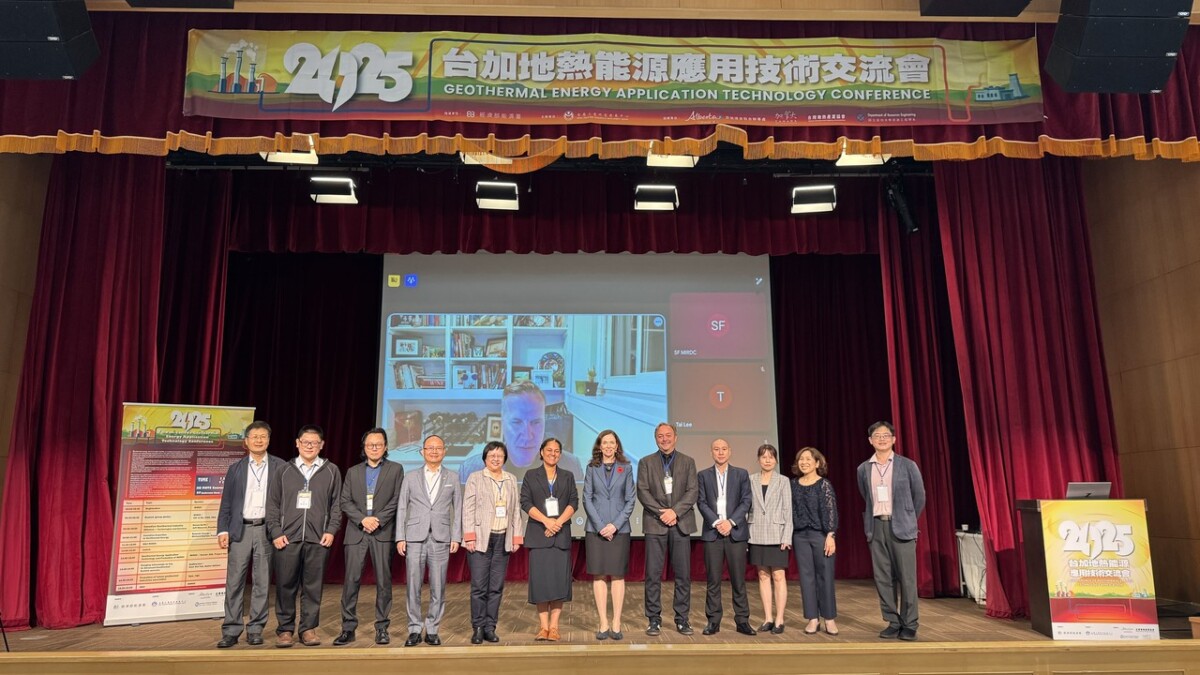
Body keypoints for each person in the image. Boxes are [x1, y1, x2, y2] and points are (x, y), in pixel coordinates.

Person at [266, 424, 343, 648]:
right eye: (305, 442)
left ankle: (308, 628)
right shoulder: (283, 470)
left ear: (322, 445)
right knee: (285, 585)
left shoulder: (331, 470)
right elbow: (272, 504)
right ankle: (285, 629)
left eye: (314, 443)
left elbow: (336, 505)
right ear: (297, 443)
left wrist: (331, 530)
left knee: (313, 587)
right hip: (287, 539)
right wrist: (276, 532)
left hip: (318, 539)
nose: (310, 446)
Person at [215, 421, 287, 649]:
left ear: (269, 440)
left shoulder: (281, 466)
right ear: (246, 441)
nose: (259, 440)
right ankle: (231, 630)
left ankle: (256, 629)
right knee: (234, 582)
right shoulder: (235, 469)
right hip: (240, 530)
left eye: (263, 436)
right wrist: (223, 529)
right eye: (254, 436)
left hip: (266, 530)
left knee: (262, 582)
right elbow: (226, 502)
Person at [334, 427, 405, 646]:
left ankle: (382, 627)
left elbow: (397, 499)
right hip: (357, 532)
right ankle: (348, 628)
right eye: (370, 445)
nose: (374, 448)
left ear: (385, 447)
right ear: (364, 447)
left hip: (382, 532)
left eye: (378, 444)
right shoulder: (353, 471)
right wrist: (363, 520)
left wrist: (378, 520)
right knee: (351, 581)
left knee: (383, 582)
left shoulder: (396, 469)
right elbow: (345, 501)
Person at [857, 421, 926, 641]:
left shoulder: (908, 465)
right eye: (877, 435)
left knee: (907, 578)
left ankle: (910, 623)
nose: (882, 439)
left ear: (894, 439)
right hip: (876, 526)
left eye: (886, 435)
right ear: (870, 440)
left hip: (902, 527)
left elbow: (919, 496)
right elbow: (865, 496)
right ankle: (892, 621)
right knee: (883, 578)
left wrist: (908, 518)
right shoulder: (863, 468)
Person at [395, 434, 462, 647]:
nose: (434, 451)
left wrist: (456, 536)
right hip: (414, 538)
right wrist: (400, 537)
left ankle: (432, 629)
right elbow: (402, 508)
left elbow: (458, 509)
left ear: (444, 451)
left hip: (441, 538)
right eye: (430, 448)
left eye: (438, 448)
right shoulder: (410, 477)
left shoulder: (452, 477)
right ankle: (414, 628)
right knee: (413, 586)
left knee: (438, 586)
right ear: (422, 452)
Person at [636, 422, 698, 636]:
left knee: (683, 575)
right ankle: (654, 619)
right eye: (660, 436)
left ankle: (682, 619)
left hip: (681, 523)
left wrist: (675, 512)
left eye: (668, 435)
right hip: (655, 523)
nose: (664, 439)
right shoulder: (645, 462)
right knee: (652, 575)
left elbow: (692, 491)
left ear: (676, 437)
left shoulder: (688, 462)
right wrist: (662, 512)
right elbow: (642, 491)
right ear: (656, 439)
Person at [462, 441, 526, 644]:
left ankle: (490, 627)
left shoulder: (511, 479)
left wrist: (517, 537)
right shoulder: (475, 478)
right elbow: (467, 509)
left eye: (500, 456)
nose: (496, 459)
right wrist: (469, 536)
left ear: (504, 459)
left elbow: (515, 511)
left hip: (502, 539)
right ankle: (478, 627)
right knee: (479, 587)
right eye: (492, 456)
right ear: (485, 459)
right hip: (481, 538)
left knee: (496, 587)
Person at [459, 380, 582, 481]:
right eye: (517, 422)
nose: (527, 435)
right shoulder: (471, 472)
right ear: (502, 423)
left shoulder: (571, 468)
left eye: (536, 422)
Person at [696, 437, 756, 637]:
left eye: (723, 449)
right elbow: (701, 502)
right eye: (716, 449)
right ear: (711, 452)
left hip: (735, 533)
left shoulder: (741, 474)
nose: (720, 452)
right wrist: (717, 522)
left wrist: (730, 522)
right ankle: (713, 621)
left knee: (738, 580)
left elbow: (746, 501)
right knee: (713, 580)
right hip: (712, 533)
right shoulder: (703, 475)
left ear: (730, 451)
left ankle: (742, 621)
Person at [520, 437, 578, 641]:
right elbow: (525, 502)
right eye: (549, 450)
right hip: (539, 535)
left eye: (557, 451)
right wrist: (546, 521)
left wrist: (557, 523)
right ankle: (543, 627)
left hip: (560, 535)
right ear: (541, 452)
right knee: (541, 583)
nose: (553, 454)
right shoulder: (530, 475)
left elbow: (573, 502)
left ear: (560, 454)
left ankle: (554, 627)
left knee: (559, 583)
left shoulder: (568, 476)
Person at [583, 430, 636, 640]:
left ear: (617, 446)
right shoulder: (591, 468)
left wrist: (614, 525)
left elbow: (630, 500)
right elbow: (587, 499)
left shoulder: (627, 468)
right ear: (599, 446)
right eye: (604, 442)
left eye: (611, 442)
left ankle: (616, 623)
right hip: (595, 530)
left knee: (617, 575)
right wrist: (600, 526)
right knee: (598, 575)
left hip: (619, 530)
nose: (608, 446)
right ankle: (603, 622)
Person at [791, 446, 839, 636]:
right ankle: (812, 618)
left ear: (817, 463)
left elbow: (830, 511)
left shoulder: (823, 484)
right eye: (801, 459)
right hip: (800, 536)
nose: (804, 462)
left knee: (825, 576)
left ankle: (829, 618)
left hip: (821, 535)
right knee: (806, 577)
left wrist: (830, 535)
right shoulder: (793, 484)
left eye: (808, 459)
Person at [748, 443, 792, 634]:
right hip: (756, 533)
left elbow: (788, 510)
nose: (767, 460)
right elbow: (746, 508)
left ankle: (780, 619)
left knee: (778, 575)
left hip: (777, 533)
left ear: (776, 460)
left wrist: (787, 535)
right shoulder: (750, 479)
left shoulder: (783, 481)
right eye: (764, 457)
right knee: (763, 575)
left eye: (771, 457)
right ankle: (768, 618)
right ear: (758, 460)